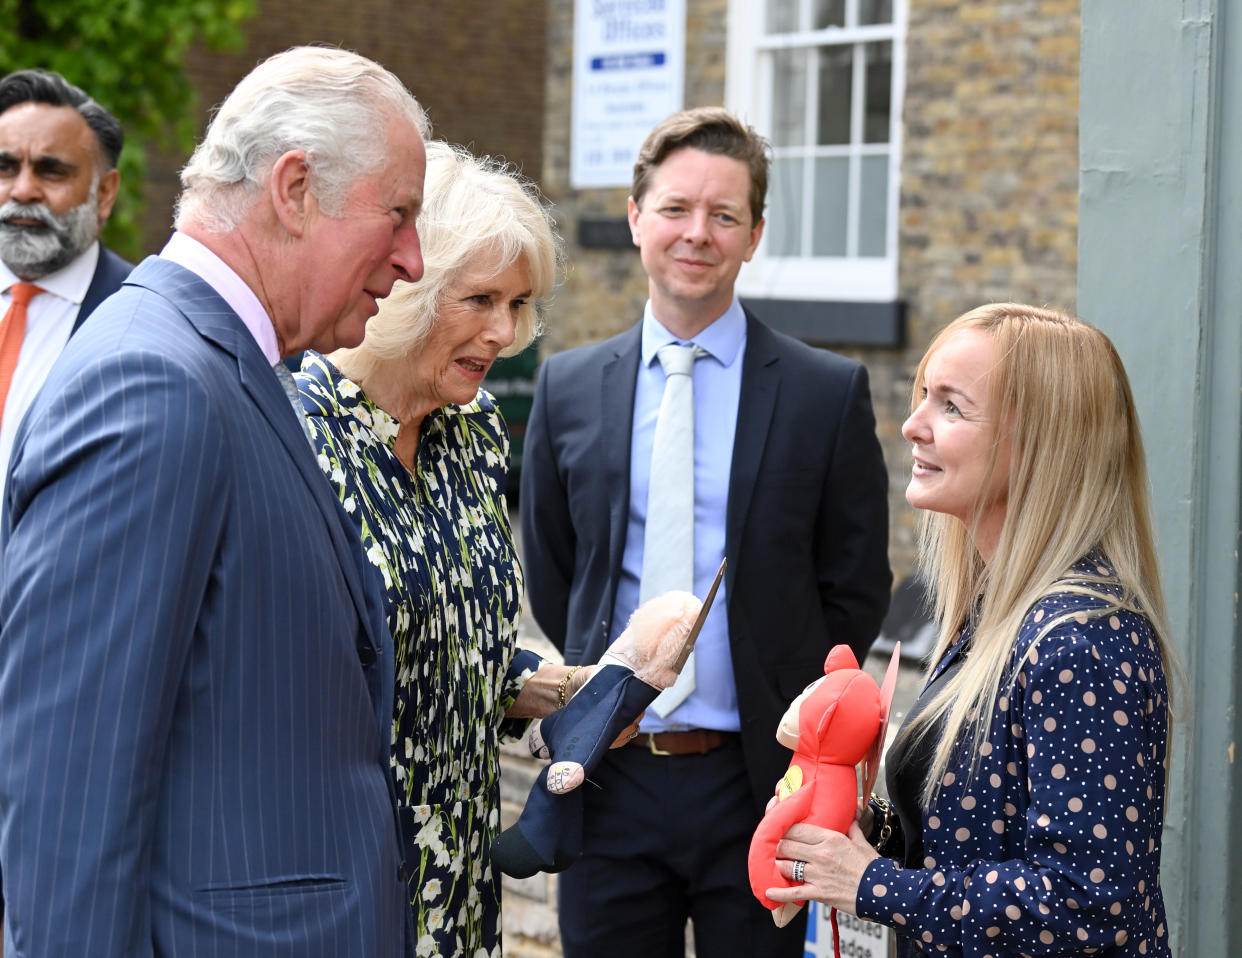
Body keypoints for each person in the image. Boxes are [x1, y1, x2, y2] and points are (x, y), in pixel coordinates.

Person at [0, 46, 427, 957]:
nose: (413, 259)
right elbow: (71, 789)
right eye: (398, 215)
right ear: (296, 188)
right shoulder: (156, 381)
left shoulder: (219, 363)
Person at [520, 106, 892, 957]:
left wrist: (799, 719)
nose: (699, 233)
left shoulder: (823, 393)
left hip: (760, 784)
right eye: (678, 209)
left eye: (725, 215)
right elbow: (556, 569)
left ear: (755, 234)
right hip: (609, 776)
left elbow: (855, 582)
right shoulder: (569, 387)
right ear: (636, 217)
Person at [767, 304, 1177, 958]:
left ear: (1045, 443)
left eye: (951, 407)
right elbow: (974, 835)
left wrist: (871, 884)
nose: (912, 426)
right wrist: (860, 828)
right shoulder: (994, 606)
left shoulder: (1082, 638)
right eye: (922, 396)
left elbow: (1087, 904)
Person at [294, 140, 579, 956]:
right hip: (343, 885)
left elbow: (454, 640)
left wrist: (568, 691)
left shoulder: (476, 429)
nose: (504, 331)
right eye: (480, 299)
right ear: (406, 286)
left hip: (461, 882)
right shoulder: (298, 436)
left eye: (519, 303)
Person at [0, 68, 131, 499]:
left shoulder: (141, 316)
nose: (23, 190)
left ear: (105, 193)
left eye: (51, 171)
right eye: (5, 167)